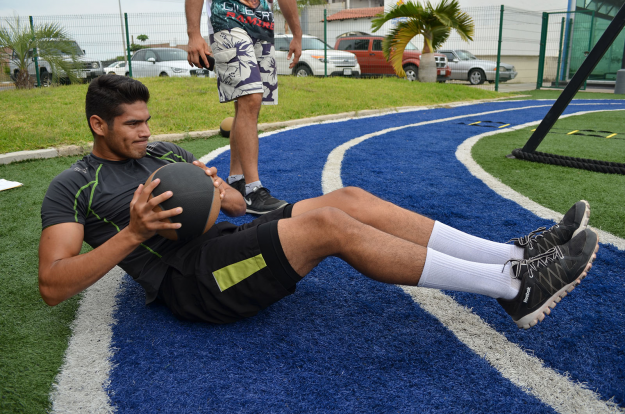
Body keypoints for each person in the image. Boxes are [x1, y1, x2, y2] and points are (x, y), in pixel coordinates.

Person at [39, 76, 600, 330]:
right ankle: (513, 287)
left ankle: (510, 253)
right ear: (98, 124)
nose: (144, 132)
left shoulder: (163, 152)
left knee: (348, 197)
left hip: (227, 241)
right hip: (194, 285)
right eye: (132, 125)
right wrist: (135, 232)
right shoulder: (74, 186)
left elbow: (234, 208)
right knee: (329, 224)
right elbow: (53, 285)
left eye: (145, 121)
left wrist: (214, 189)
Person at [185, 0, 302, 214]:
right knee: (250, 98)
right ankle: (252, 190)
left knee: (247, 105)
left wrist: (297, 34)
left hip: (262, 20)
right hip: (227, 16)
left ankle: (237, 179)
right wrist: (194, 33)